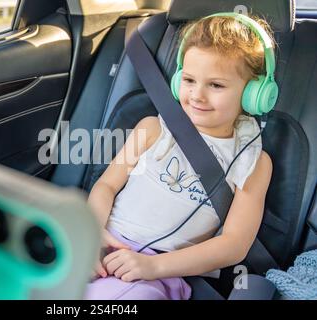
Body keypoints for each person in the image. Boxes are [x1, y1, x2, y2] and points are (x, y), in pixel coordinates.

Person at [84, 13, 275, 300]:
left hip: (160, 271)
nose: (197, 95)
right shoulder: (151, 129)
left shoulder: (253, 162)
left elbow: (235, 244)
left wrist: (153, 265)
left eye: (216, 85)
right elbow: (106, 185)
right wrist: (92, 233)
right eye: (188, 80)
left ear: (254, 93)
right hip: (100, 247)